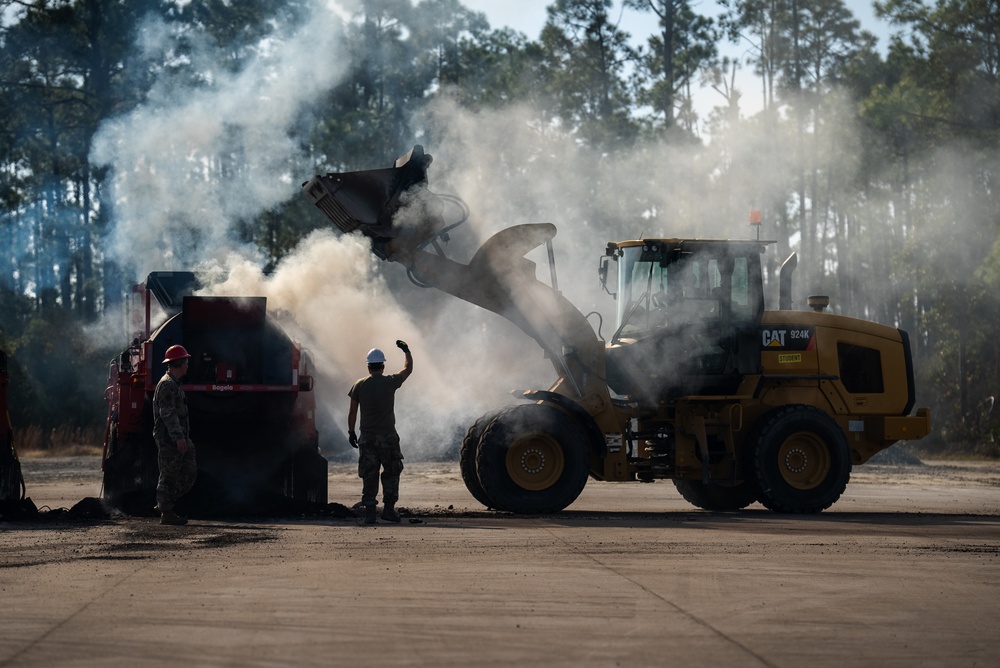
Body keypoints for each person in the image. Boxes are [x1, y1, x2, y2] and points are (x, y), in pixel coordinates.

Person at [348, 340, 413, 524]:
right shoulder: (390, 382)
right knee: (391, 473)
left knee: (370, 473)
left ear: (369, 367)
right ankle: (389, 511)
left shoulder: (359, 385)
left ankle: (370, 513)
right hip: (388, 437)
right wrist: (406, 351)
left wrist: (351, 431)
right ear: (383, 366)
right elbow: (408, 369)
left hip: (366, 437)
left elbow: (352, 411)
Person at [152, 344, 198, 525]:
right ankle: (166, 511)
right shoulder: (167, 385)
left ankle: (164, 502)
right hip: (169, 439)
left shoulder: (173, 384)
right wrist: (178, 437)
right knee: (169, 473)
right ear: (179, 363)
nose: (187, 364)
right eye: (185, 361)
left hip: (179, 437)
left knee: (188, 472)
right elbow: (168, 414)